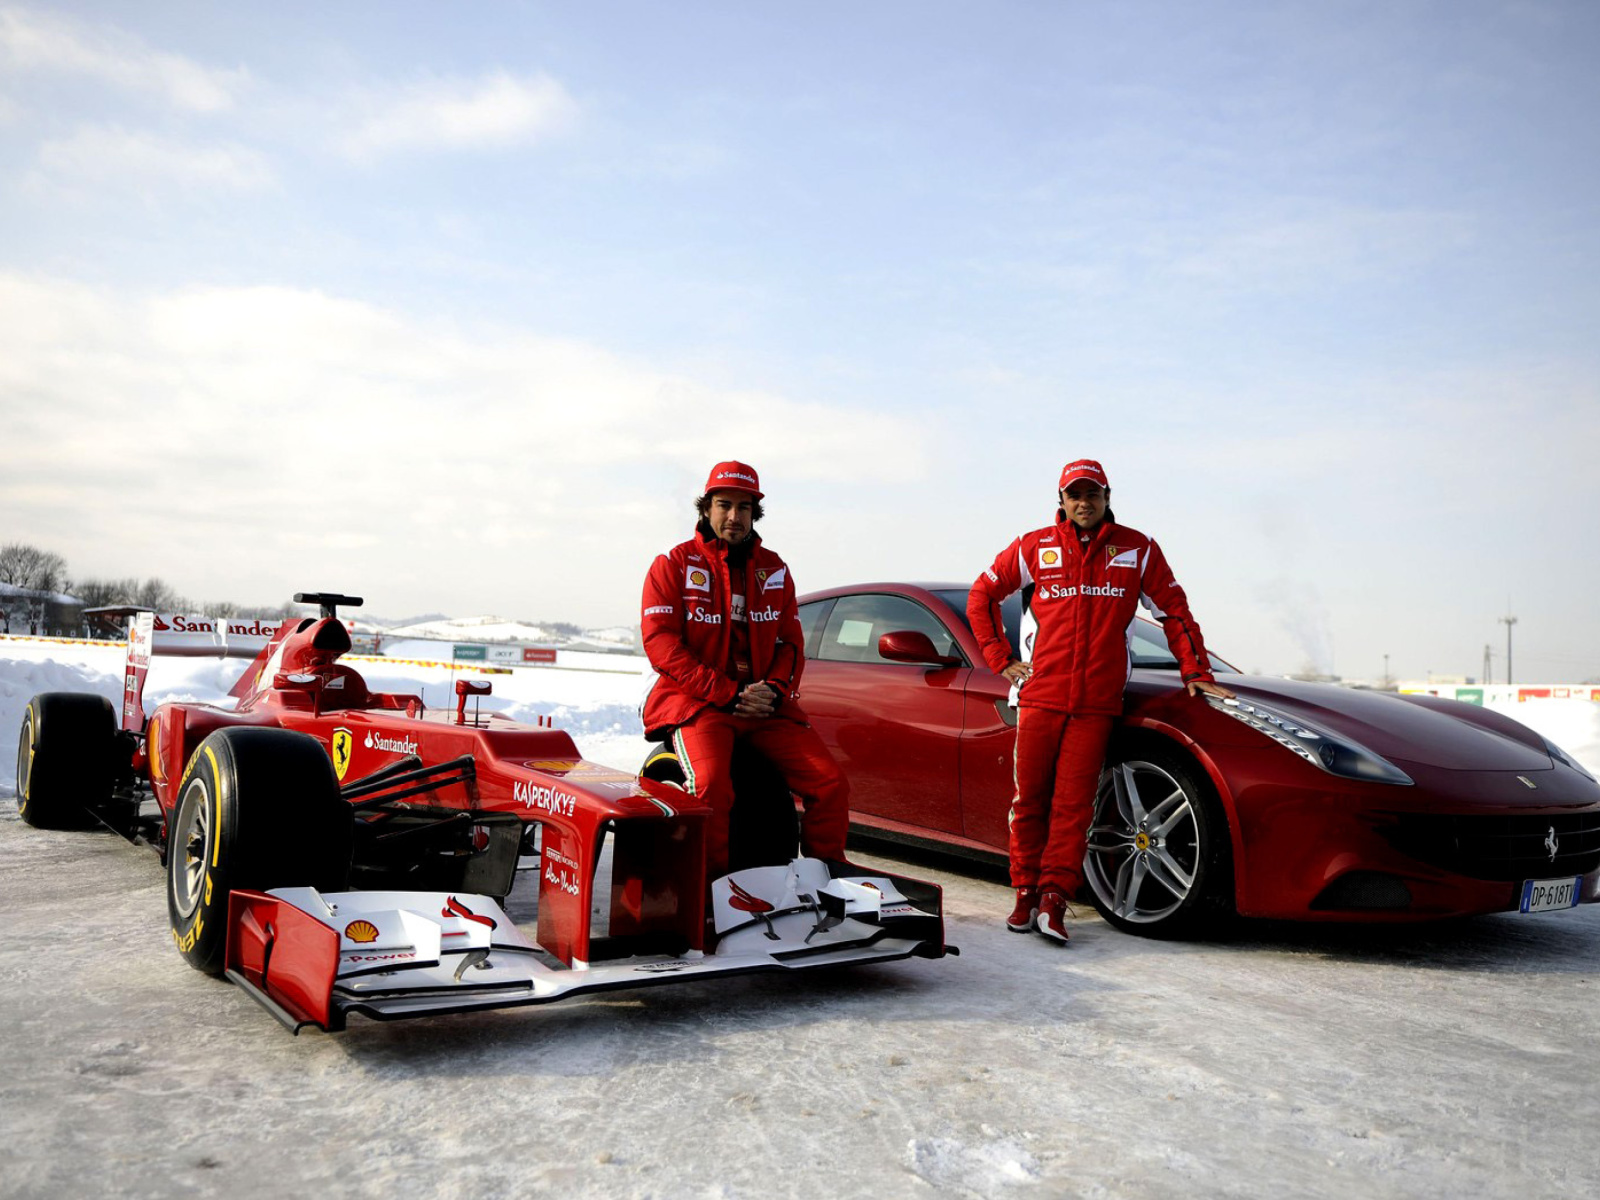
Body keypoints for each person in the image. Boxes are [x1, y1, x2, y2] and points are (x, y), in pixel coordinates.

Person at [967, 458, 1235, 944]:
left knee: (1073, 807)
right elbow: (981, 595)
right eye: (1075, 495)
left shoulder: (1139, 550)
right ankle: (1024, 893)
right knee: (1029, 801)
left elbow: (1174, 611)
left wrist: (1196, 671)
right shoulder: (1035, 546)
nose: (1083, 503)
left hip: (1096, 702)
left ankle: (1053, 900)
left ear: (1108, 498)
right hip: (1041, 696)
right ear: (1062, 501)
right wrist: (1000, 660)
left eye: (1092, 494)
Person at [640, 461, 849, 885]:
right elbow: (661, 644)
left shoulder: (775, 570)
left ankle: (825, 885)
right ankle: (711, 894)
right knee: (713, 786)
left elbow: (790, 643)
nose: (734, 517)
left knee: (830, 783)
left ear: (755, 514)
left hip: (763, 708)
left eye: (744, 507)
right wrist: (726, 692)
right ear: (706, 508)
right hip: (700, 705)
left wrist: (773, 689)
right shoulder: (672, 565)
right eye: (724, 505)